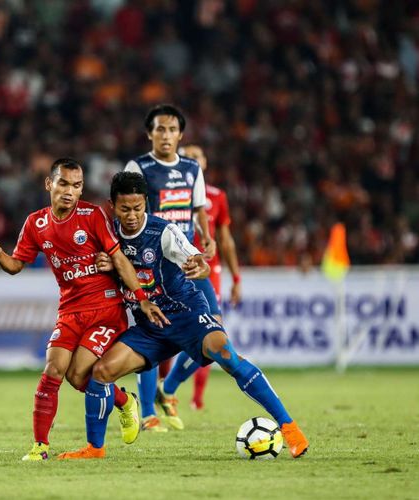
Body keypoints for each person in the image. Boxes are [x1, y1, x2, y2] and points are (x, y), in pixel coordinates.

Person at [64, 171, 309, 459]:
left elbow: (198, 262)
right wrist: (103, 263)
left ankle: (290, 428)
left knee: (226, 355)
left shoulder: (164, 232)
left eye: (138, 208)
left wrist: (198, 267)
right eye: (124, 209)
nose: (131, 215)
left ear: (146, 204)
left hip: (186, 315)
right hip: (150, 326)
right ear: (112, 206)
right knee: (102, 372)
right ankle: (95, 448)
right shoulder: (107, 236)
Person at [0, 157, 168, 461]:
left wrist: (141, 297)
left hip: (105, 308)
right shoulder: (35, 223)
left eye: (77, 185)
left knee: (81, 375)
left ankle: (122, 405)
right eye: (64, 183)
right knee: (56, 371)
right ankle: (41, 446)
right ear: (49, 184)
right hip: (69, 310)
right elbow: (16, 265)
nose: (70, 191)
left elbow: (118, 258)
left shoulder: (93, 216)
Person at [124, 103, 218, 432]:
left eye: (172, 129)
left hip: (188, 261)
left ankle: (171, 386)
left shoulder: (193, 168)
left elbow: (198, 209)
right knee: (151, 333)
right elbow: (130, 212)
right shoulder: (139, 166)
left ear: (181, 135)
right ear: (149, 133)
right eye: (160, 129)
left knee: (215, 329)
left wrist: (208, 237)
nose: (166, 135)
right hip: (154, 263)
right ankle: (148, 412)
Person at [160, 144, 243, 413]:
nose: (193, 161)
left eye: (198, 157)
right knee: (166, 331)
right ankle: (162, 390)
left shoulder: (218, 197)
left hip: (208, 270)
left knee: (212, 331)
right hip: (173, 267)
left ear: (204, 163)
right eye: (188, 156)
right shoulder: (170, 192)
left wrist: (236, 278)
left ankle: (178, 392)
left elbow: (226, 240)